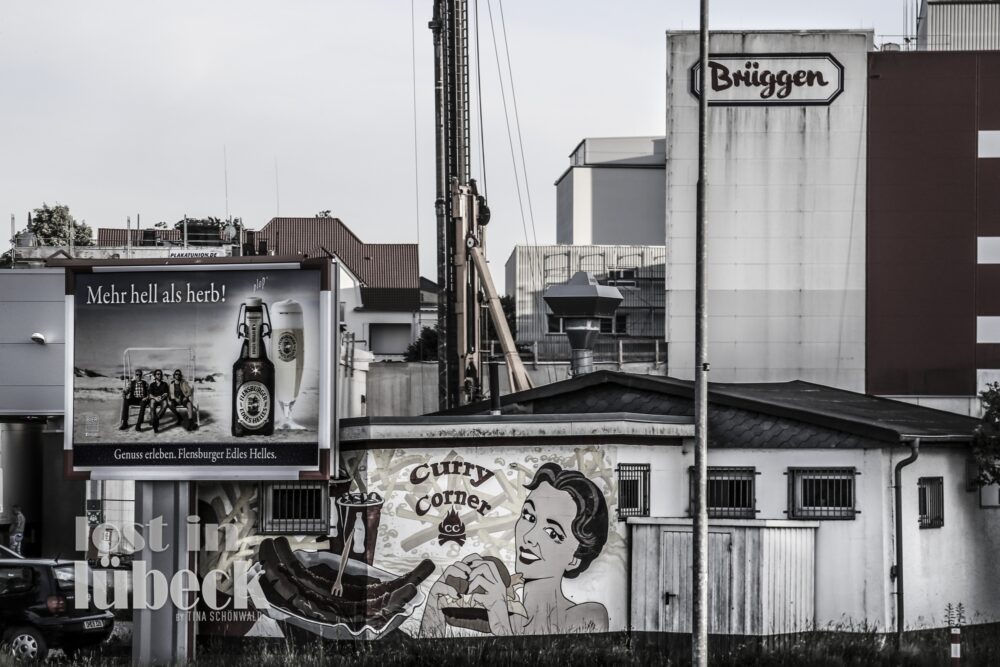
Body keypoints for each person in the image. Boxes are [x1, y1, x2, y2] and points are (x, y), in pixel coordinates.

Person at [421, 462, 609, 636]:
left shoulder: (588, 616)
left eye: (552, 533)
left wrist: (501, 624)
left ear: (574, 559)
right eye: (529, 516)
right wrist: (433, 610)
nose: (529, 537)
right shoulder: (502, 616)